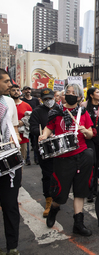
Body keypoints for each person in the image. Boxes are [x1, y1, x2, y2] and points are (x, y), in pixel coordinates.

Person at [38, 83, 94, 236]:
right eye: (67, 92)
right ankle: (53, 209)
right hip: (62, 157)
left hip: (81, 154)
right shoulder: (56, 111)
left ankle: (78, 223)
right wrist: (44, 135)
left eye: (72, 92)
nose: (69, 94)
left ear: (78, 97)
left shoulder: (83, 112)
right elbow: (49, 127)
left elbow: (90, 133)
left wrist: (86, 131)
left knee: (80, 190)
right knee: (60, 193)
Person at [0, 68, 21, 255]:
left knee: (10, 205)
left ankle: (12, 247)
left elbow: (14, 126)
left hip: (9, 161)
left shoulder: (8, 102)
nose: (10, 84)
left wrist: (16, 147)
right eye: (6, 81)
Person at [29, 88, 58, 217]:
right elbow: (33, 128)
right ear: (41, 100)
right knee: (47, 175)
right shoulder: (37, 112)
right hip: (44, 148)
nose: (48, 101)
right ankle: (48, 201)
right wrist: (44, 134)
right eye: (45, 99)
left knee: (60, 174)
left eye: (50, 99)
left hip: (59, 147)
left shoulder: (60, 109)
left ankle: (57, 199)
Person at [81, 87, 99, 203]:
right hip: (87, 138)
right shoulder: (83, 106)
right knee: (90, 163)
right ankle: (88, 190)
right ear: (91, 95)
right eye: (97, 92)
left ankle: (94, 189)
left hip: (98, 139)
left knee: (97, 163)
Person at [10, 84, 32, 162]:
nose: (16, 92)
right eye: (13, 90)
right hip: (9, 139)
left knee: (21, 161)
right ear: (9, 91)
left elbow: (31, 120)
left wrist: (23, 122)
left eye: (17, 90)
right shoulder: (6, 105)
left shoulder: (26, 106)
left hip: (23, 138)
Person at [21, 86, 40, 165]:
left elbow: (39, 109)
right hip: (26, 124)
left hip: (34, 123)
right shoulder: (22, 101)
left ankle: (36, 158)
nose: (28, 91)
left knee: (35, 142)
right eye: (26, 89)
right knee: (27, 142)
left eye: (29, 89)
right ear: (23, 91)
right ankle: (27, 159)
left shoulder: (35, 100)